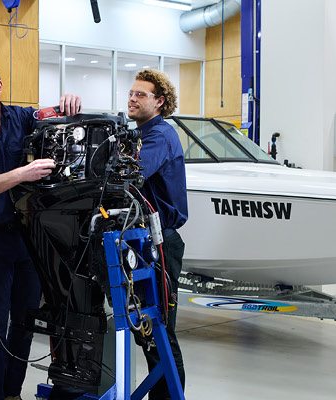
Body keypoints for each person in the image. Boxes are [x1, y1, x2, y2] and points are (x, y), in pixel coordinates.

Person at [0, 61, 81, 400]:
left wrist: (68, 102)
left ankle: (12, 394)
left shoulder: (23, 118)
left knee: (24, 323)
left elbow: (57, 115)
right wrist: (23, 173)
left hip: (29, 237)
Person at [126, 69, 188, 400]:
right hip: (142, 240)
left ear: (159, 101)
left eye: (141, 94)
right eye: (131, 93)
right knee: (147, 330)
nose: (132, 98)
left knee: (159, 330)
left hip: (160, 243)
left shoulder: (159, 137)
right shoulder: (139, 136)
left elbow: (132, 173)